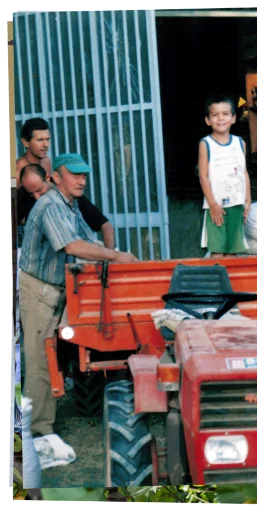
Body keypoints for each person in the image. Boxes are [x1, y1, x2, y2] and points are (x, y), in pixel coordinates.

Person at [19, 153, 138, 468]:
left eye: (84, 174)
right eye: (74, 175)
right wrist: (115, 258)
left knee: (59, 352)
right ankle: (38, 434)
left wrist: (114, 254)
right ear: (55, 178)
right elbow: (72, 247)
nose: (81, 180)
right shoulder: (49, 206)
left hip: (57, 290)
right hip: (38, 290)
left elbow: (87, 238)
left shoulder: (70, 206)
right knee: (39, 360)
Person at [16, 117, 115, 250]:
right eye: (40, 140)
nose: (45, 145)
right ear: (25, 142)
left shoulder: (46, 162)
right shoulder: (18, 172)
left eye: (47, 139)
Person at [198, 94, 252, 257]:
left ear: (233, 118)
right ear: (208, 120)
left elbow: (243, 172)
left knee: (233, 252)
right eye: (215, 115)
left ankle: (230, 283)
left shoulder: (240, 143)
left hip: (237, 205)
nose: (220, 118)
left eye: (225, 114)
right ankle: (217, 282)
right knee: (217, 252)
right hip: (216, 208)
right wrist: (213, 204)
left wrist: (248, 199)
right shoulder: (205, 144)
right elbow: (203, 176)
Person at [18, 163, 115, 249]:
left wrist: (111, 259)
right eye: (31, 194)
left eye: (40, 190)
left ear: (48, 178)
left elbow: (105, 225)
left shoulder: (68, 192)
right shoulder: (24, 194)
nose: (37, 197)